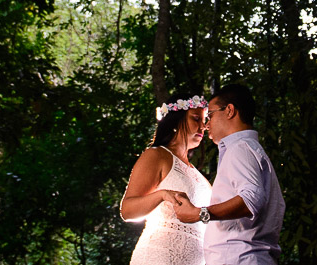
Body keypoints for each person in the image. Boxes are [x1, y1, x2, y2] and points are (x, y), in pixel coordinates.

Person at [174, 84, 285, 265]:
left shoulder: (240, 148)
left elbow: (251, 199)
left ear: (229, 111)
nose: (206, 125)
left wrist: (199, 214)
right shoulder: (247, 149)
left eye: (210, 116)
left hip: (240, 258)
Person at [121, 95, 213, 265]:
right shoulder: (157, 155)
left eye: (204, 120)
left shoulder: (198, 175)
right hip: (159, 257)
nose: (203, 126)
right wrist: (162, 195)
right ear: (176, 120)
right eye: (196, 119)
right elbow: (127, 211)